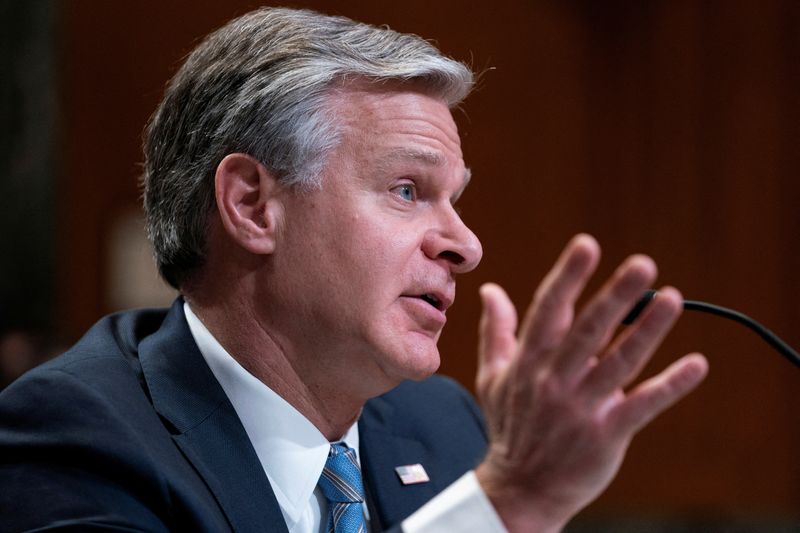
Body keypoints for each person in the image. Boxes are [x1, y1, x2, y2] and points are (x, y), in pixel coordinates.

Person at [0, 7, 708, 532]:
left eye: (454, 199)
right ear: (252, 204)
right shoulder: (75, 438)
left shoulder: (445, 427)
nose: (465, 244)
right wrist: (508, 504)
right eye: (408, 190)